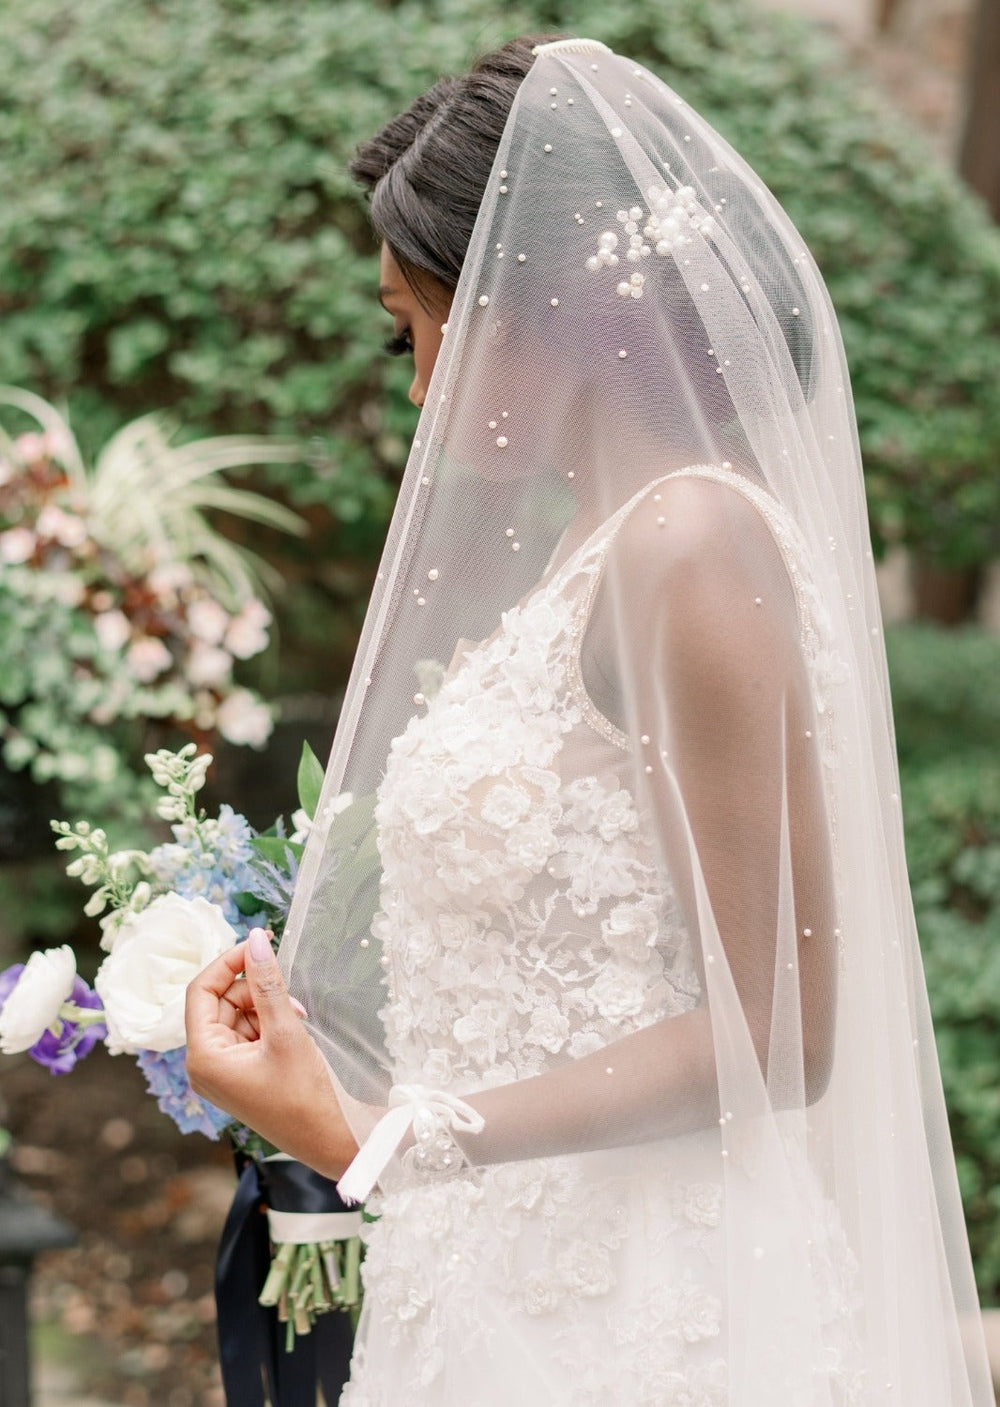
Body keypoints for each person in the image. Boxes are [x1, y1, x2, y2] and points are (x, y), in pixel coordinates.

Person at [186, 35, 994, 1405]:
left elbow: (777, 1035)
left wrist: (383, 1131)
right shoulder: (594, 554)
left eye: (416, 326)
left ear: (537, 302)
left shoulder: (689, 545)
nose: (418, 383)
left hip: (651, 1314)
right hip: (496, 1280)